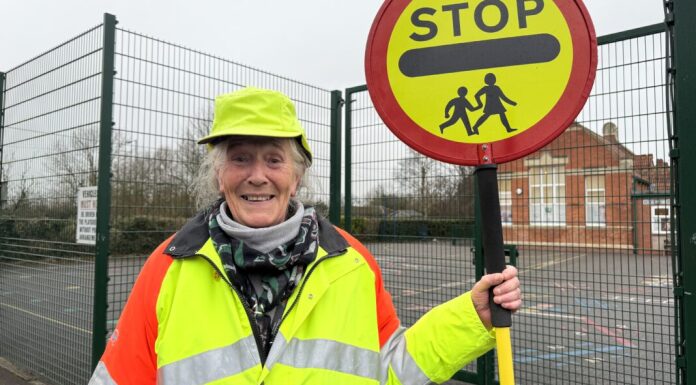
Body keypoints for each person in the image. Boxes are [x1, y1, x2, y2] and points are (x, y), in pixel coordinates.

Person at [88, 87, 521, 385]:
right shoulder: (168, 267)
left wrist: (471, 318)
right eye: (240, 158)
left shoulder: (350, 262)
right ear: (219, 175)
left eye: (274, 160)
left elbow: (391, 370)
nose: (257, 176)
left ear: (296, 177)